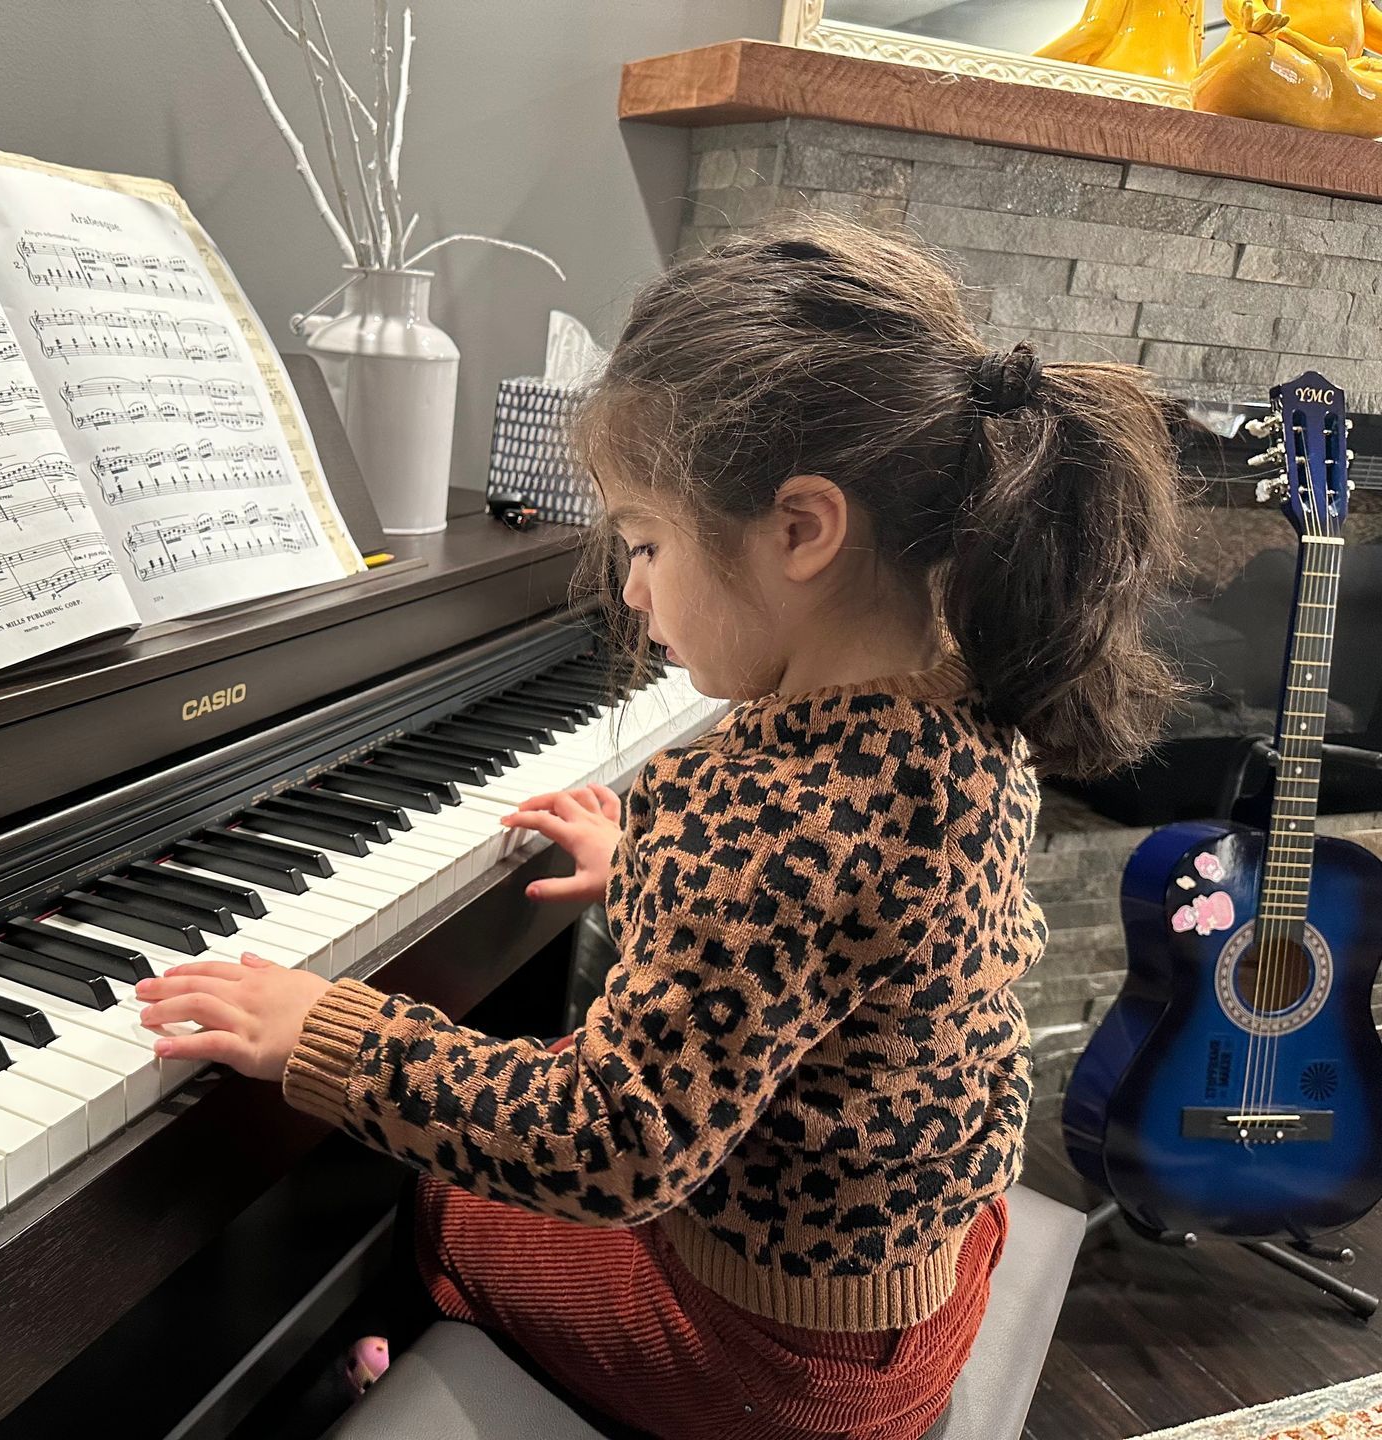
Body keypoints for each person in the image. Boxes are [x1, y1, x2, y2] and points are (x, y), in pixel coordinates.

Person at [131, 215, 1186, 1440]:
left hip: (782, 1365)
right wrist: (650, 863)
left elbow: (613, 1144)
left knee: (433, 1205)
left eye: (644, 544)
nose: (632, 591)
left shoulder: (774, 823)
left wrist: (331, 1033)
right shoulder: (964, 706)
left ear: (802, 529)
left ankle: (369, 1371)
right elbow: (855, 930)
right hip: (926, 1266)